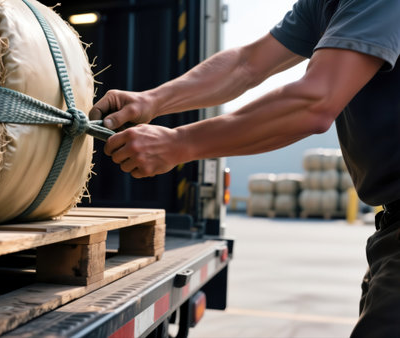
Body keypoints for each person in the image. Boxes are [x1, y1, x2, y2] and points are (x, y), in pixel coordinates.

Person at [89, 0, 400, 335]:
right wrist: (153, 100)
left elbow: (315, 102)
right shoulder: (324, 6)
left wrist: (179, 144)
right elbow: (246, 64)